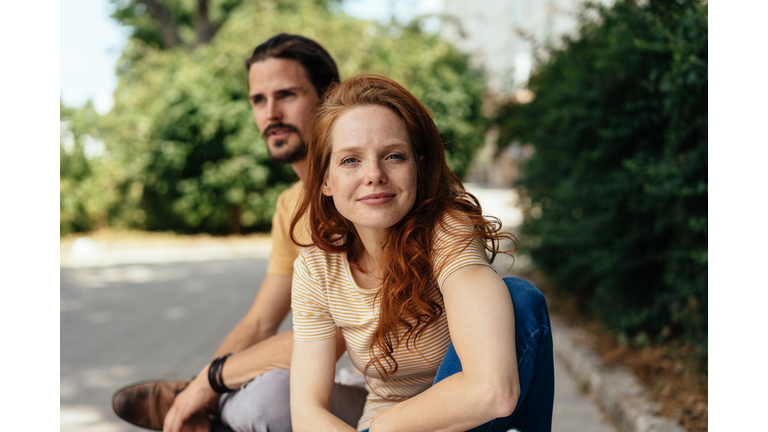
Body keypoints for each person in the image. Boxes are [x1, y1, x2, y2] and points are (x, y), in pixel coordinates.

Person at [112, 34, 367, 432]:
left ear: (327, 98)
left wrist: (215, 379)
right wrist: (204, 382)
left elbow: (331, 338)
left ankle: (207, 415)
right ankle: (201, 408)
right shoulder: (290, 206)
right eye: (258, 100)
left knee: (270, 398)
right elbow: (260, 324)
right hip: (358, 385)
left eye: (286, 94)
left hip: (411, 396)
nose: (271, 113)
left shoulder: (366, 192)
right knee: (263, 388)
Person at [288, 74, 555, 431]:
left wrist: (387, 427)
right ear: (324, 181)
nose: (374, 175)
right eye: (350, 160)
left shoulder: (448, 231)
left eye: (394, 156)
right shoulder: (316, 271)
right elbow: (306, 413)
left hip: (427, 425)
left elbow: (493, 391)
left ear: (420, 167)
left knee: (520, 300)